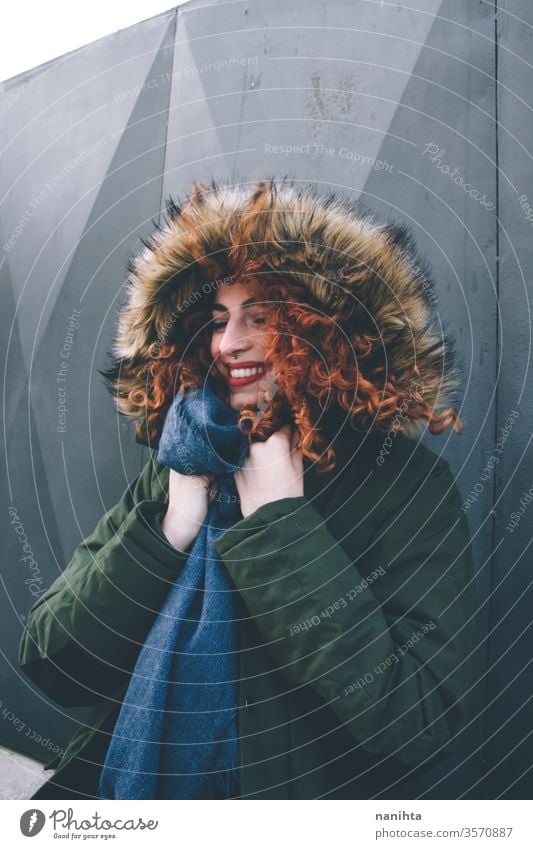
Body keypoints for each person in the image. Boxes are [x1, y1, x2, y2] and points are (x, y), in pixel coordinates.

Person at [19, 179, 476, 799]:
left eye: (259, 317)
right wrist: (172, 527)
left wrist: (282, 526)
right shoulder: (184, 464)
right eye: (216, 320)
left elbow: (420, 720)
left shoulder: (404, 485)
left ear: (329, 330)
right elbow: (53, 661)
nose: (228, 343)